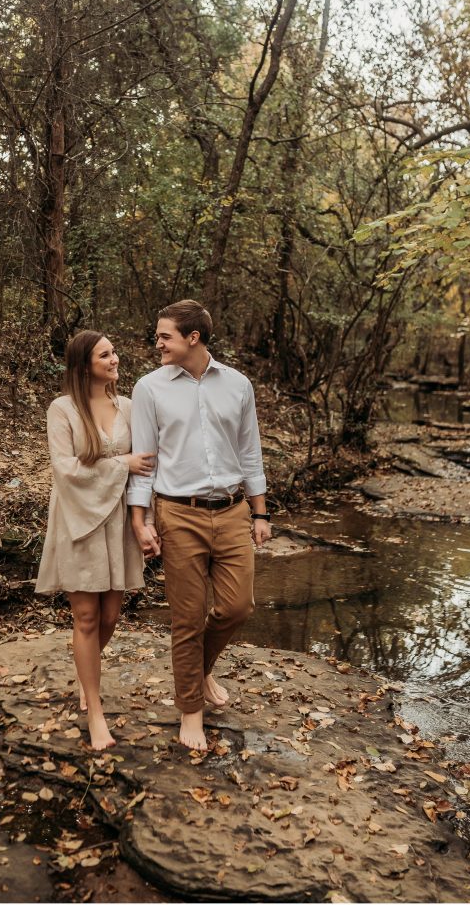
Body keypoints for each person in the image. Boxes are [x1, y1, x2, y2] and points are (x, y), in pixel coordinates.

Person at [127, 300, 271, 750]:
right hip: (178, 512)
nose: (157, 343)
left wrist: (261, 512)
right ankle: (191, 709)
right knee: (186, 619)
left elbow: (250, 452)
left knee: (237, 607)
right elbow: (144, 462)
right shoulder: (150, 388)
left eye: (164, 335)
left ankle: (200, 670)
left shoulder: (237, 385)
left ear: (193, 338)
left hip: (232, 511)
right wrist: (140, 520)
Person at [35, 330, 155, 750]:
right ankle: (95, 708)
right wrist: (121, 461)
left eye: (115, 352)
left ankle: (87, 678)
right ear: (84, 365)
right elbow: (65, 470)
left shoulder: (128, 406)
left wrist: (145, 520)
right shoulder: (62, 409)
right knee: (86, 619)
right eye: (105, 354)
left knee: (109, 618)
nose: (115, 359)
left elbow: (147, 469)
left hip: (118, 521)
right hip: (79, 520)